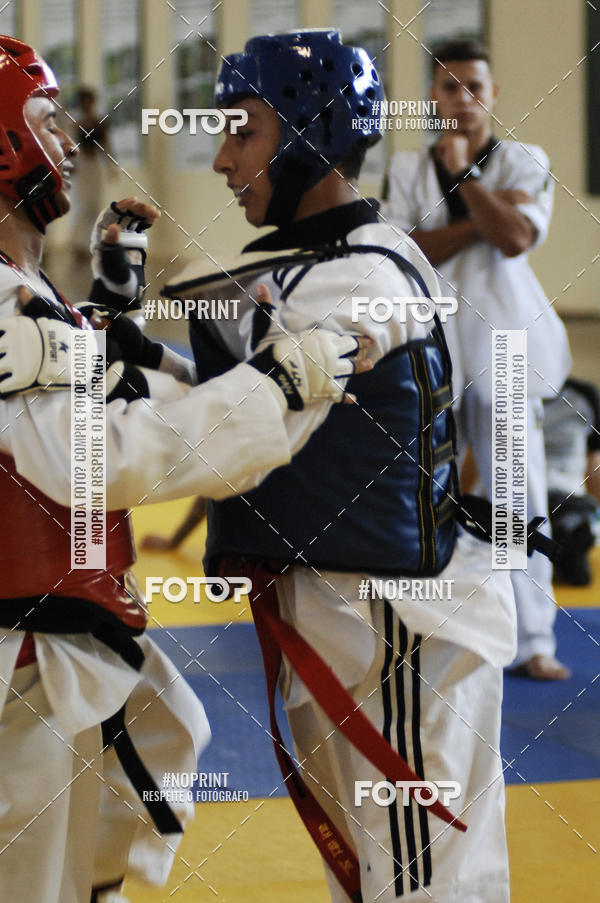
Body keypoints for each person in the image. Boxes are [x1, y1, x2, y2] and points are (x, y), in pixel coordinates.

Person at [0, 35, 368, 903]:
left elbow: (77, 375)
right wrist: (272, 388)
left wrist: (110, 307)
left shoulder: (27, 292)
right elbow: (93, 455)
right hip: (26, 643)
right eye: (45, 123)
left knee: (125, 807)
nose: (64, 143)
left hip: (66, 625)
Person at [163, 29, 522, 902]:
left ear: (304, 135)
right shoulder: (348, 258)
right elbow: (249, 373)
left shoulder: (351, 276)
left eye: (241, 132)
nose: (220, 158)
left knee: (415, 878)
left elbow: (229, 428)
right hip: (371, 610)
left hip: (393, 622)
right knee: (385, 866)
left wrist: (96, 421)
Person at [385, 40, 572, 681]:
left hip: (509, 342)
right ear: (433, 97)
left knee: (515, 490)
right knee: (432, 487)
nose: (461, 99)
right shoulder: (408, 169)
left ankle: (534, 636)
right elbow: (408, 249)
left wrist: (466, 180)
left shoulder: (524, 160)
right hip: (435, 339)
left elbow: (516, 239)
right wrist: (483, 218)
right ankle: (446, 623)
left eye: (474, 87)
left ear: (492, 95)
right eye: (448, 87)